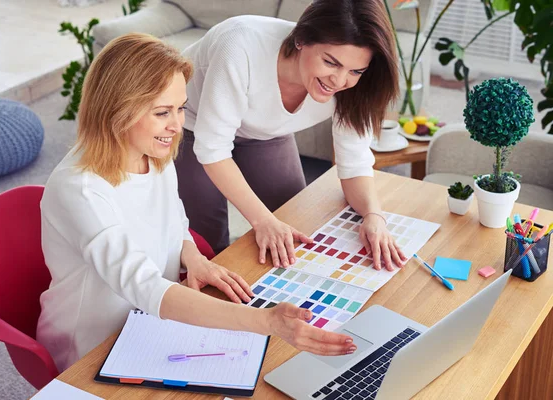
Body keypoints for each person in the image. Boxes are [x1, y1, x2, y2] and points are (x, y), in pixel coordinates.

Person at [36, 33, 355, 372]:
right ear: (117, 109)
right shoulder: (80, 189)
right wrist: (266, 322)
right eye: (162, 112)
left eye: (180, 108)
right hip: (91, 346)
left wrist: (192, 256)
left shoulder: (151, 153)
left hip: (151, 323)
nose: (178, 125)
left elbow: (173, 219)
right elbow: (143, 285)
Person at [176, 0, 408, 271]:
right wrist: (262, 221)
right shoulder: (239, 45)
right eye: (330, 62)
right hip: (193, 126)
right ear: (301, 39)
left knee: (296, 227)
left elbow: (355, 163)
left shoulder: (355, 88)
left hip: (267, 133)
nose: (339, 81)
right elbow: (212, 149)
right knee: (209, 247)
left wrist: (374, 216)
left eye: (355, 71)